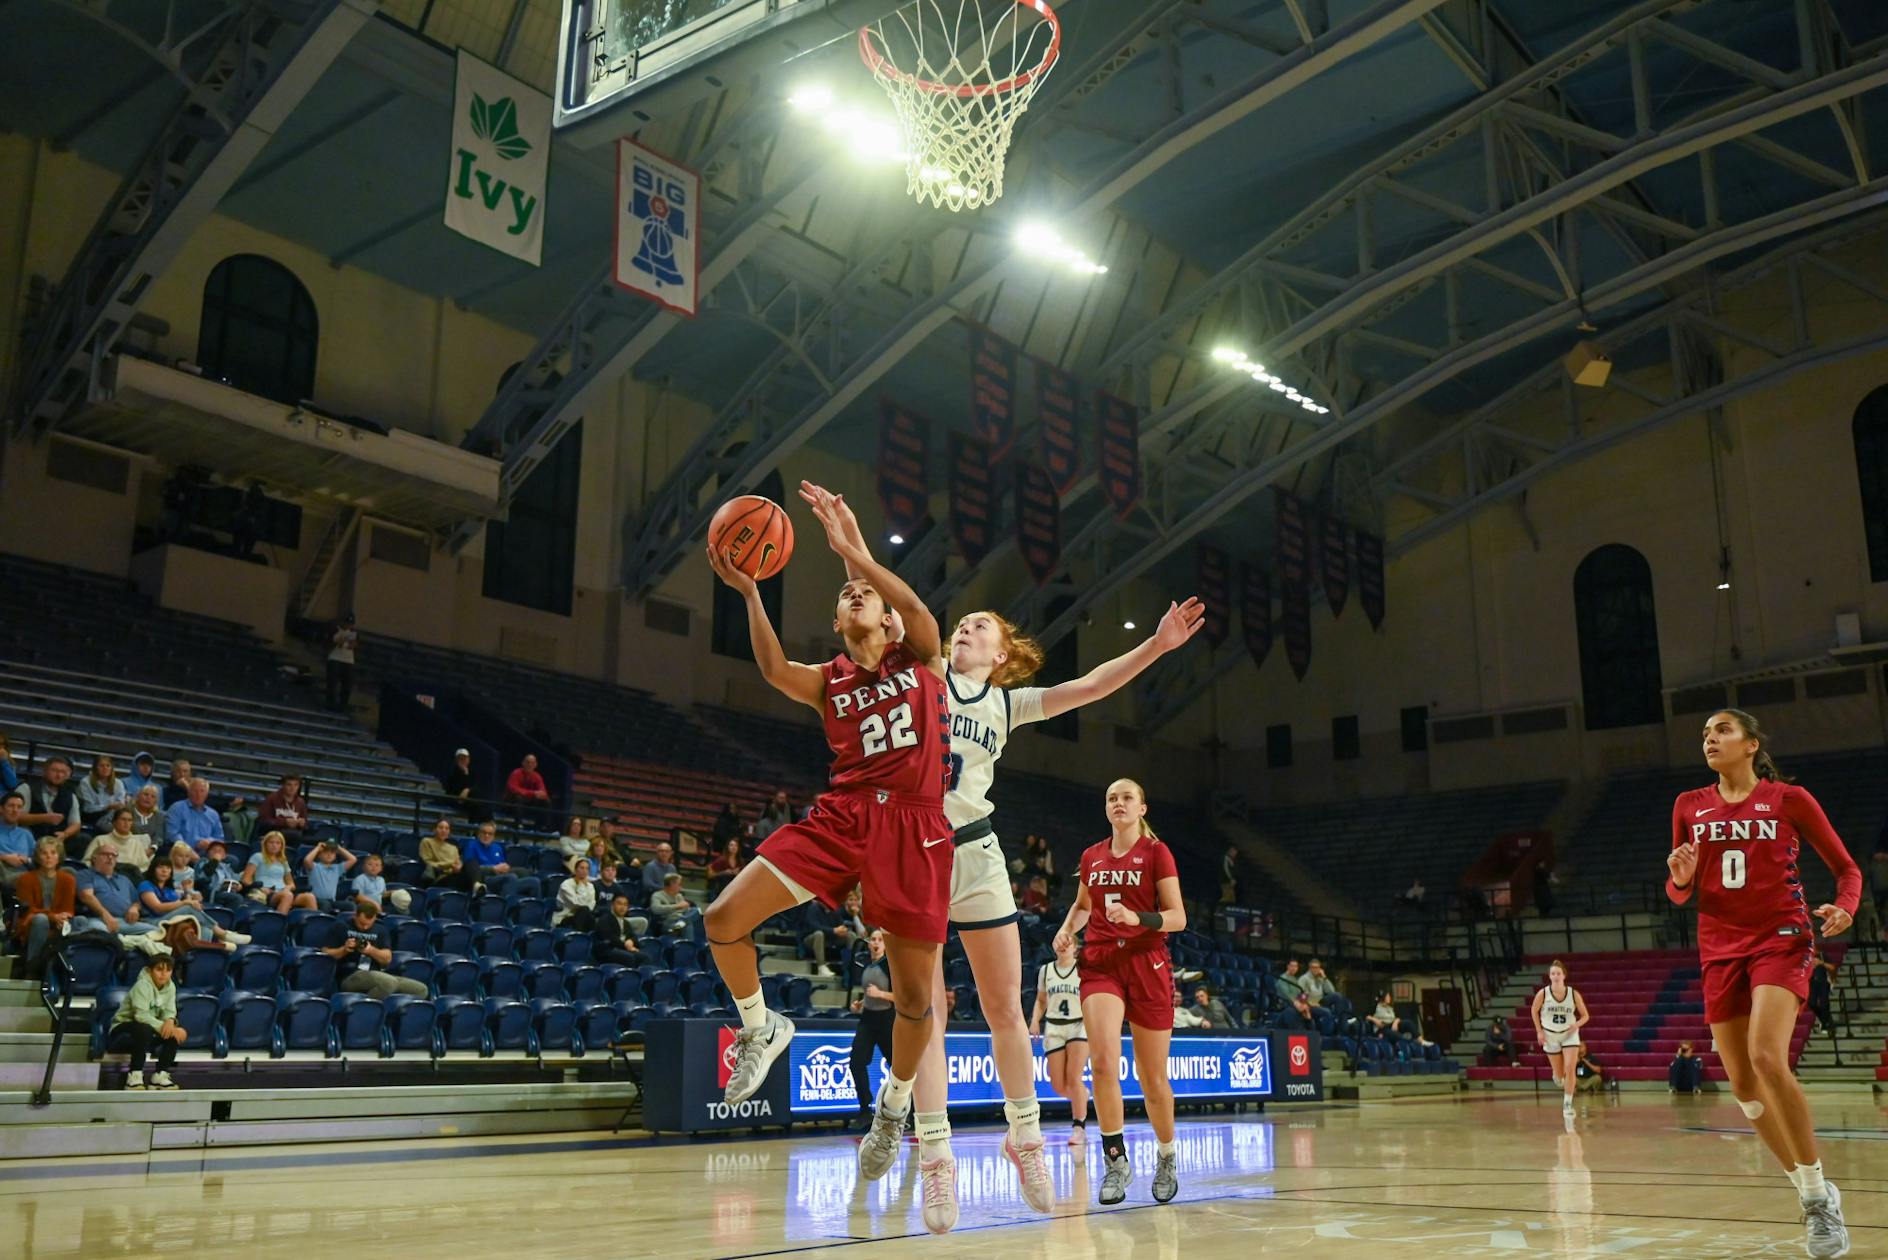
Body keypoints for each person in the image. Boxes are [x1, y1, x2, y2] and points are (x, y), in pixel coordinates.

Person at [820, 483, 1205, 1227]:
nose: (963, 630)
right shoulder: (922, 676)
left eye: (978, 628)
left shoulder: (1006, 703)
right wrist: (854, 552)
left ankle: (1024, 1135)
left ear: (1001, 656)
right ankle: (935, 1156)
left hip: (978, 851)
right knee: (924, 1009)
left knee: (1003, 1008)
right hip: (915, 853)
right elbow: (884, 621)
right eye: (960, 624)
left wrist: (1157, 646)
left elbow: (1090, 686)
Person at [699, 483, 955, 1231]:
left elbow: (912, 607)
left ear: (883, 613)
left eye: (863, 594)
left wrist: (855, 551)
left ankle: (895, 1107)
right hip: (842, 820)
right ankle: (761, 1026)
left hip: (915, 831)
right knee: (722, 917)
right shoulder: (830, 681)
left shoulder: (924, 659)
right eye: (844, 594)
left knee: (917, 1003)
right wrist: (749, 591)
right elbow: (776, 669)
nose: (853, 596)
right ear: (840, 624)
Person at [1665, 709, 1859, 1257]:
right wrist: (1680, 880)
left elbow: (1848, 869)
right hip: (1718, 947)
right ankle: (1810, 1193)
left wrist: (1845, 908)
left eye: (1722, 730)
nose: (1710, 738)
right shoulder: (1687, 806)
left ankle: (1820, 1201)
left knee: (1767, 1059)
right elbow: (1679, 891)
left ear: (1751, 744)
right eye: (1705, 733)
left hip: (1782, 937)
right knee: (1746, 1091)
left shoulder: (1789, 800)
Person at [1053, 778, 1187, 1208]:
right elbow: (1083, 906)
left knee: (1152, 1079)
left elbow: (1177, 917)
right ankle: (1115, 1161)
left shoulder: (1156, 852)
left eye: (1127, 797)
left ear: (1142, 808)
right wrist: (1065, 930)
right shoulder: (1091, 855)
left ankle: (1165, 1156)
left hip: (1147, 961)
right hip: (1101, 963)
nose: (1119, 803)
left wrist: (1136, 917)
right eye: (1112, 798)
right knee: (1104, 1063)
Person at [1030, 932, 1088, 1146]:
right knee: (1059, 1086)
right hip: (1053, 1026)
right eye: (1061, 942)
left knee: (1074, 1078)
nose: (1064, 945)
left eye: (1069, 942)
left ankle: (1078, 1128)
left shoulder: (1082, 969)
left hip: (1078, 1025)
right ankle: (1081, 1094)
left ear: (1076, 947)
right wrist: (1035, 1019)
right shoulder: (1046, 970)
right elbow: (1041, 999)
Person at [110, 953, 187, 1090]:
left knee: (175, 1033)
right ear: (150, 970)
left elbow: (170, 1011)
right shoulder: (142, 985)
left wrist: (170, 1021)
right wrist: (166, 1026)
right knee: (143, 1028)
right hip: (122, 1028)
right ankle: (135, 1075)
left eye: (168, 970)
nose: (163, 974)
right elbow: (141, 1016)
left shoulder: (171, 987)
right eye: (159, 969)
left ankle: (160, 1075)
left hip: (149, 1028)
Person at [322, 901, 427, 998]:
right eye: (362, 923)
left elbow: (387, 959)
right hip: (349, 975)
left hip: (375, 972)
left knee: (421, 989)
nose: (365, 927)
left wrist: (371, 950)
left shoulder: (380, 930)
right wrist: (343, 950)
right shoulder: (341, 926)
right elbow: (325, 953)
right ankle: (363, 1009)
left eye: (369, 924)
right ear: (355, 916)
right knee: (388, 982)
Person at [849, 927, 896, 1131]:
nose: (876, 942)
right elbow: (871, 993)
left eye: (880, 939)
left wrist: (881, 995)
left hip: (888, 1019)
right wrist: (860, 1003)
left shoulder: (890, 965)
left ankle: (905, 1112)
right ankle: (864, 1110)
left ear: (885, 944)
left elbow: (904, 997)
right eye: (873, 939)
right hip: (868, 1020)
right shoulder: (867, 966)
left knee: (899, 1068)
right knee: (856, 1063)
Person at [1531, 960, 1588, 1114]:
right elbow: (1534, 1011)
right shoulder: (1543, 994)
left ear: (1564, 976)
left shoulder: (1573, 994)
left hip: (1569, 1034)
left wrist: (1576, 1025)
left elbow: (1585, 1016)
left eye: (1558, 973)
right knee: (1559, 1074)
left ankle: (1567, 1104)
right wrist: (1539, 1031)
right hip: (1550, 1035)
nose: (1555, 976)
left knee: (1570, 1068)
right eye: (1553, 973)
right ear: (1549, 976)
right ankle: (1557, 1076)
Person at [14, 838, 76, 977]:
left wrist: (63, 917)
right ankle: (32, 968)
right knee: (41, 919)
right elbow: (28, 910)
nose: (49, 857)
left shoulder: (68, 879)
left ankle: (66, 969)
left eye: (53, 852)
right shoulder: (25, 879)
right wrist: (53, 916)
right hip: (31, 923)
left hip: (58, 923)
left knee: (83, 921)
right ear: (37, 856)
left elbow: (69, 909)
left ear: (59, 856)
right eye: (44, 853)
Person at [72, 843, 158, 937]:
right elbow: (86, 896)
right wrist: (106, 915)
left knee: (157, 932)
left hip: (126, 921)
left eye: (114, 855)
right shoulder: (85, 875)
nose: (110, 857)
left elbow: (136, 902)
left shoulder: (124, 879)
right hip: (99, 919)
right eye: (105, 854)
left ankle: (123, 941)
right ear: (94, 858)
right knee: (99, 933)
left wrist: (134, 908)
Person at [462, 821, 541, 899]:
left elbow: (502, 864)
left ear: (494, 836)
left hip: (501, 878)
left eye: (490, 834)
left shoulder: (497, 847)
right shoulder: (471, 845)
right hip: (485, 879)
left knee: (534, 881)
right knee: (511, 878)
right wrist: (492, 869)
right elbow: (470, 867)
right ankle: (505, 908)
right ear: (478, 833)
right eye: (484, 833)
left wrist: (505, 867)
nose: (487, 836)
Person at [243, 830, 317, 912]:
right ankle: (279, 923)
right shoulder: (257, 857)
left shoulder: (283, 861)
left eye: (278, 843)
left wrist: (288, 888)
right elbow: (246, 880)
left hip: (283, 891)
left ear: (282, 846)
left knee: (309, 897)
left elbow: (291, 883)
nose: (274, 845)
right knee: (287, 896)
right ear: (265, 844)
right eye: (271, 842)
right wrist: (260, 888)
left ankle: (315, 924)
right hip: (266, 893)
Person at [21, 755, 81, 855]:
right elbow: (17, 817)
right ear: (44, 771)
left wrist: (65, 834)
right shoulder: (27, 788)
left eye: (63, 772)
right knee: (22, 832)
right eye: (55, 770)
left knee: (82, 839)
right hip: (31, 834)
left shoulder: (70, 795)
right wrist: (44, 818)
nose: (59, 775)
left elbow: (76, 824)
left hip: (57, 839)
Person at [166, 778, 225, 854]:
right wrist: (188, 852)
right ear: (189, 792)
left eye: (202, 791)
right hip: (181, 852)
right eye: (195, 791)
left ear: (207, 794)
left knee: (232, 860)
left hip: (207, 853)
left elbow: (219, 838)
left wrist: (209, 842)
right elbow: (172, 834)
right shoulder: (176, 808)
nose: (198, 794)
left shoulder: (213, 814)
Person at [420, 818, 479, 892]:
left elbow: (458, 863)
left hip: (454, 875)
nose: (443, 830)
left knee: (472, 862)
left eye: (446, 828)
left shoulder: (453, 848)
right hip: (440, 877)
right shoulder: (427, 842)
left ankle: (476, 885)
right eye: (441, 827)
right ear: (434, 829)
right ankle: (476, 887)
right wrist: (450, 864)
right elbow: (428, 862)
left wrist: (458, 867)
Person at [593, 893, 649, 966]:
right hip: (608, 950)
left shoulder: (626, 922)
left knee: (645, 957)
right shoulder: (605, 919)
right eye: (619, 904)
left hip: (622, 949)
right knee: (629, 957)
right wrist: (626, 946)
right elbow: (610, 938)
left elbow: (633, 936)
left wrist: (631, 940)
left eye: (625, 905)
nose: (622, 907)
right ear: (612, 905)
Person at [301, 839, 357, 911]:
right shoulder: (314, 867)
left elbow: (353, 859)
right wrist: (318, 848)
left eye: (332, 852)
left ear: (335, 856)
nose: (329, 854)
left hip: (332, 901)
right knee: (325, 904)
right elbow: (307, 860)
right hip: (316, 899)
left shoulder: (337, 868)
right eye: (325, 852)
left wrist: (338, 848)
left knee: (350, 905)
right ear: (319, 855)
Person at [75, 755, 129, 829]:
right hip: (92, 817)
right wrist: (107, 807)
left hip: (113, 817)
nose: (105, 768)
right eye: (101, 766)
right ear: (95, 768)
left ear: (111, 768)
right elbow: (88, 808)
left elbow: (120, 804)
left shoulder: (118, 783)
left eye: (108, 766)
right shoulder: (85, 782)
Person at [502, 755, 554, 830]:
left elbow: (543, 793)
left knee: (546, 801)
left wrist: (539, 794)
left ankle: (542, 826)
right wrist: (533, 793)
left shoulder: (537, 776)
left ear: (536, 765)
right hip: (510, 804)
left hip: (527, 804)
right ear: (523, 763)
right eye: (528, 762)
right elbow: (513, 789)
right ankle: (518, 824)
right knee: (518, 797)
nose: (530, 765)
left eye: (532, 763)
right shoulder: (516, 773)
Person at [0, 792, 34, 893]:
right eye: (11, 806)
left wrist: (27, 859)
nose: (15, 810)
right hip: (3, 874)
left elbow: (38, 857)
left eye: (19, 807)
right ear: (1, 809)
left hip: (24, 872)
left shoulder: (26, 834)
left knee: (68, 871)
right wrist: (4, 857)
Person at [443, 749, 489, 823]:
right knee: (476, 805)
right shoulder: (451, 771)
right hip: (456, 799)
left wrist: (467, 789)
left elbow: (476, 787)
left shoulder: (472, 771)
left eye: (465, 758)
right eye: (460, 758)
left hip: (470, 799)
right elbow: (454, 788)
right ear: (456, 760)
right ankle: (479, 826)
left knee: (480, 803)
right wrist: (464, 775)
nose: (462, 760)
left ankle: (486, 823)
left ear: (468, 759)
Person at [555, 858, 598, 929]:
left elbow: (592, 904)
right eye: (582, 868)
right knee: (584, 910)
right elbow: (576, 903)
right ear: (575, 870)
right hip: (566, 916)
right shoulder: (566, 884)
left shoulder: (590, 886)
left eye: (587, 868)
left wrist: (586, 908)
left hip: (585, 916)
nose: (584, 871)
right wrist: (581, 885)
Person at [326, 616, 357, 710]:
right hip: (335, 658)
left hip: (348, 660)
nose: (348, 625)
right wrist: (343, 642)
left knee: (347, 684)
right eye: (347, 623)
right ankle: (330, 703)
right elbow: (334, 641)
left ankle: (343, 704)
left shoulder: (353, 633)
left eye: (350, 624)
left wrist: (345, 643)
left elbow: (353, 645)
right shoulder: (335, 630)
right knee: (333, 682)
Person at [1808, 949, 1838, 1036]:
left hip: (1824, 982)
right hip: (1812, 983)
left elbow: (1832, 967)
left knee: (1824, 1003)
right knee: (1812, 1003)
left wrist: (1821, 963)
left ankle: (1825, 1024)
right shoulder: (1806, 957)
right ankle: (1825, 1019)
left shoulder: (1822, 955)